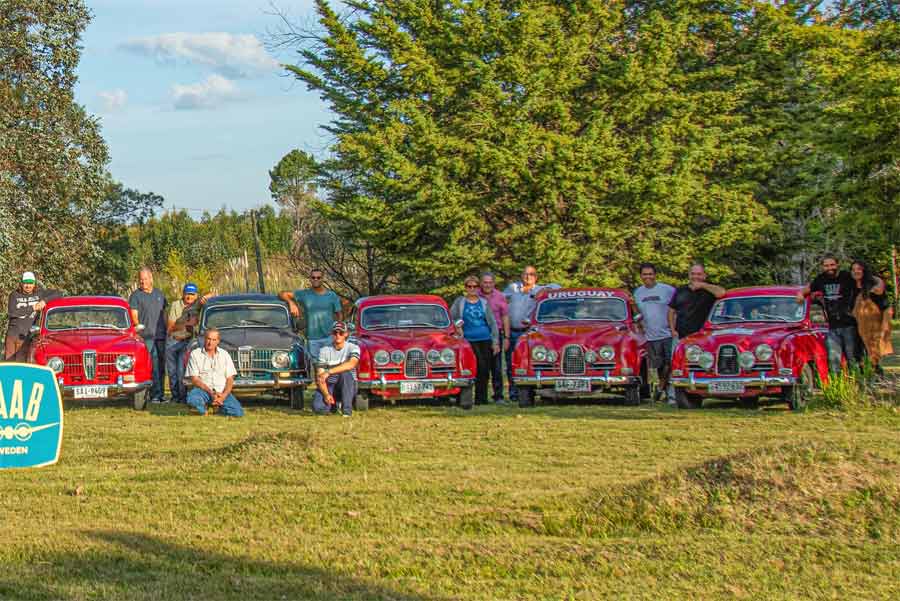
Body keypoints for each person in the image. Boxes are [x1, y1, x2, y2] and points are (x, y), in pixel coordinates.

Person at [797, 254, 872, 373]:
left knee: (853, 359)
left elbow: (864, 280)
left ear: (837, 264)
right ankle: (838, 387)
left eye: (832, 265)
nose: (829, 268)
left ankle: (858, 386)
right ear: (822, 267)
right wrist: (801, 294)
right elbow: (807, 289)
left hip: (849, 324)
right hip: (832, 327)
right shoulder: (820, 279)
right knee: (833, 360)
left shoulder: (846, 276)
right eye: (826, 266)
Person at [503, 266, 559, 402]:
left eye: (532, 274)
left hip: (530, 333)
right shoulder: (513, 288)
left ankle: (536, 392)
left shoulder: (540, 290)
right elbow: (500, 299)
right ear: (521, 275)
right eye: (526, 274)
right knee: (511, 364)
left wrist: (545, 290)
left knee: (531, 363)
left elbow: (557, 287)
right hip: (513, 332)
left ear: (536, 277)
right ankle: (513, 393)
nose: (528, 277)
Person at [451, 276, 500, 406]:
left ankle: (481, 399)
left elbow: (492, 323)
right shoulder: (459, 302)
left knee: (484, 370)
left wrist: (495, 342)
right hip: (467, 341)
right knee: (466, 370)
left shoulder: (483, 303)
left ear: (478, 288)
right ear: (465, 288)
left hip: (484, 339)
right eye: (469, 286)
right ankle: (462, 398)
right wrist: (458, 326)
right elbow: (452, 317)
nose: (472, 289)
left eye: (474, 286)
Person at [278, 268, 343, 365]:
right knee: (317, 367)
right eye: (313, 277)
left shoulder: (331, 295)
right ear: (310, 279)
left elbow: (339, 315)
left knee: (331, 366)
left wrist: (337, 333)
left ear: (322, 279)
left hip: (329, 337)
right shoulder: (304, 294)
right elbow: (282, 293)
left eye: (318, 277)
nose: (316, 279)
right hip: (313, 339)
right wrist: (291, 303)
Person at [633, 263, 676, 403]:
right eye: (645, 274)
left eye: (650, 274)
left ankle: (667, 392)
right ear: (641, 276)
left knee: (671, 363)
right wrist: (639, 325)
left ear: (655, 275)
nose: (648, 277)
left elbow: (676, 308)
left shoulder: (667, 290)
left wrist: (674, 327)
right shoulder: (638, 293)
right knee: (658, 366)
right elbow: (638, 313)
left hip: (668, 334)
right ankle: (662, 391)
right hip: (650, 336)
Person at [165, 283, 212, 404]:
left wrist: (205, 297)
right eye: (187, 294)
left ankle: (183, 397)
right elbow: (170, 328)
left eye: (192, 294)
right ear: (183, 294)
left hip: (187, 342)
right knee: (172, 371)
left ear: (196, 295)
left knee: (182, 371)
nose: (189, 297)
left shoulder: (198, 306)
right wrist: (187, 324)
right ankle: (175, 397)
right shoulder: (176, 305)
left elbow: (211, 296)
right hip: (173, 341)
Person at [129, 268, 168, 403]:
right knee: (153, 365)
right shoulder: (136, 296)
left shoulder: (160, 294)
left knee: (162, 366)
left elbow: (164, 314)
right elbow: (134, 315)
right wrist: (138, 329)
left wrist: (168, 329)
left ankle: (162, 394)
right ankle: (154, 395)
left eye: (145, 279)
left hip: (161, 336)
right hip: (146, 337)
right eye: (140, 279)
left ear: (151, 279)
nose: (142, 281)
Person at [185, 328, 244, 417]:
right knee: (193, 400)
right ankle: (203, 409)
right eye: (208, 339)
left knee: (238, 413)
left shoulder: (225, 354)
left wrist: (223, 396)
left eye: (214, 340)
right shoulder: (195, 354)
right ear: (204, 339)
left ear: (218, 341)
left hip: (221, 391)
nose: (210, 342)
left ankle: (216, 408)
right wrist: (210, 392)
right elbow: (194, 379)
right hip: (203, 390)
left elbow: (230, 379)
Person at [5, 271, 60, 362]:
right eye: (26, 283)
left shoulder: (39, 294)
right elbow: (12, 312)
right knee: (9, 365)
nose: (28, 286)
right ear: (21, 283)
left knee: (22, 365)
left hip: (26, 337)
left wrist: (44, 301)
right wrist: (33, 307)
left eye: (31, 283)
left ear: (34, 284)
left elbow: (59, 293)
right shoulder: (14, 295)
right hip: (13, 336)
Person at [313, 321, 360, 417]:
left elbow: (351, 364)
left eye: (341, 333)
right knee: (318, 408)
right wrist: (326, 395)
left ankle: (347, 411)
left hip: (348, 385)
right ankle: (332, 405)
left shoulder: (353, 347)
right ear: (331, 334)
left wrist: (329, 371)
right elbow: (320, 376)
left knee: (345, 374)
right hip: (330, 384)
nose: (338, 335)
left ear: (346, 334)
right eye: (335, 333)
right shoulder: (324, 350)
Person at [667, 262, 726, 340]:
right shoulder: (680, 290)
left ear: (704, 276)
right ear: (689, 275)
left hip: (704, 335)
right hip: (682, 336)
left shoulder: (709, 289)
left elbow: (721, 293)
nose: (695, 276)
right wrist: (672, 330)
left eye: (699, 274)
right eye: (693, 274)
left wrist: (702, 285)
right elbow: (671, 311)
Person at [849, 260, 891, 370]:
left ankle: (877, 379)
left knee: (872, 355)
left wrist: (885, 327)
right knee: (858, 357)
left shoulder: (873, 288)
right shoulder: (850, 285)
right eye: (853, 269)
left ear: (864, 271)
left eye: (859, 269)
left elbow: (886, 307)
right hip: (854, 326)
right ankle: (864, 380)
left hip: (871, 327)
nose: (856, 271)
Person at [478, 272, 510, 403]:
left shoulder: (500, 296)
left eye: (490, 282)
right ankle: (481, 396)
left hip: (496, 335)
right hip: (480, 335)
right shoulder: (475, 295)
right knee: (482, 367)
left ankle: (498, 396)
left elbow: (505, 317)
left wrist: (507, 337)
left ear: (493, 283)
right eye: (485, 282)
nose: (487, 285)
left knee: (496, 367)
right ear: (481, 283)